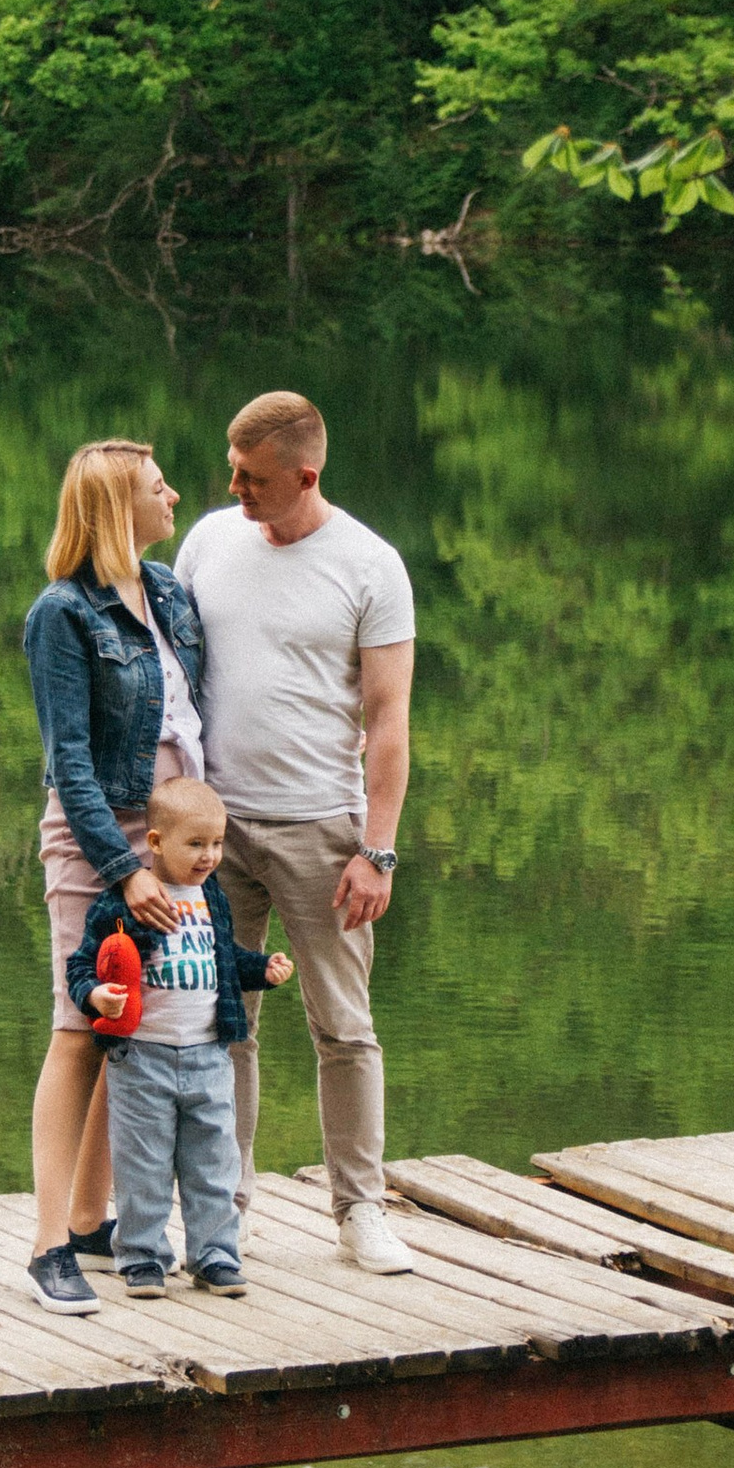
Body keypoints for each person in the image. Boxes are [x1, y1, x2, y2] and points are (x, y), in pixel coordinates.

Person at [175, 389, 418, 1273]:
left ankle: (360, 1210)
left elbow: (388, 720)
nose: (234, 488)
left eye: (252, 477)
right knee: (221, 1023)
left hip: (322, 829)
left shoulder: (370, 565)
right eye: (232, 470)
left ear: (305, 476)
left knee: (343, 1028)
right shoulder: (208, 541)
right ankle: (225, 1208)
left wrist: (376, 850)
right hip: (211, 834)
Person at [20, 437, 209, 1315]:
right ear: (114, 508)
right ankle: (48, 1245)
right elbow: (70, 761)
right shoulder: (61, 614)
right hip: (98, 837)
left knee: (126, 1028)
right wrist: (123, 866)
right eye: (157, 487)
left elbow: (194, 715)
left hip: (172, 837)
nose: (173, 496)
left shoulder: (166, 592)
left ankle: (92, 1220)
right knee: (79, 1024)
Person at [69, 774, 294, 1296]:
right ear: (156, 842)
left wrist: (263, 969)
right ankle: (142, 1257)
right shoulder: (121, 902)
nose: (209, 855)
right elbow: (81, 966)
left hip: (208, 1055)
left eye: (217, 843)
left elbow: (225, 959)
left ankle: (214, 1257)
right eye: (195, 843)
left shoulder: (211, 897)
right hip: (140, 1057)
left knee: (214, 1162)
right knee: (142, 1164)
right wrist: (97, 996)